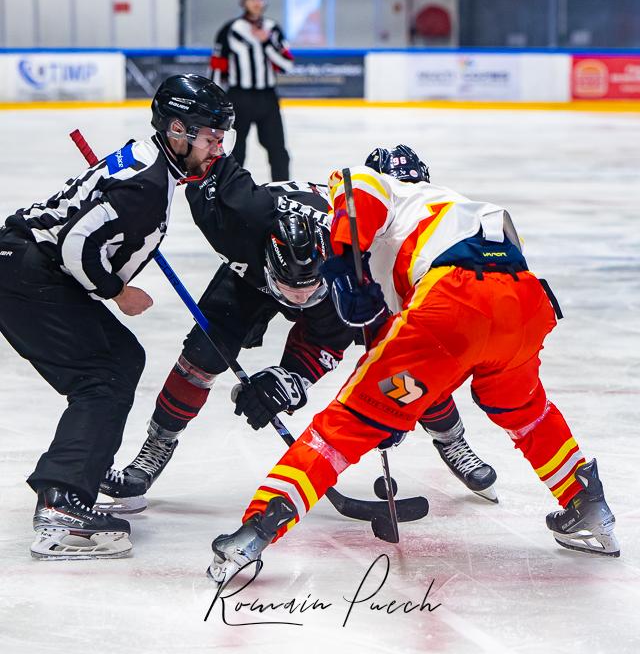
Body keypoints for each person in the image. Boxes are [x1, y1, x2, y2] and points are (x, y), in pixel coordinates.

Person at [209, 143, 620, 584]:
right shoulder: (452, 207)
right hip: (524, 305)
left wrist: (347, 265)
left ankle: (255, 530)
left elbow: (355, 183)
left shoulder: (389, 191)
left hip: (453, 300)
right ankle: (587, 505)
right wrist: (396, 403)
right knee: (526, 412)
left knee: (347, 424)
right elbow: (419, 338)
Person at [99, 153, 497, 512]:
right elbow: (201, 176)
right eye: (292, 291)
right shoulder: (239, 228)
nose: (301, 300)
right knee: (203, 354)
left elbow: (325, 345)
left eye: (308, 290)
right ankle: (157, 444)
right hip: (252, 277)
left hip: (330, 273)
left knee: (400, 361)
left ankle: (452, 438)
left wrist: (289, 382)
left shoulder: (352, 261)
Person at [0, 73, 235, 560]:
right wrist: (117, 291)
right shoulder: (147, 184)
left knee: (123, 356)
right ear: (178, 130)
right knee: (103, 376)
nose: (217, 148)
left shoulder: (152, 166)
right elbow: (76, 244)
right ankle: (61, 505)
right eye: (211, 137)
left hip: (27, 267)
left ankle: (85, 468)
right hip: (27, 274)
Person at [210, 0, 294, 181]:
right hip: (239, 98)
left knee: (278, 152)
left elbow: (287, 65)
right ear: (243, 0)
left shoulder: (273, 29)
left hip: (267, 99)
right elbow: (217, 68)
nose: (257, 2)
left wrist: (266, 43)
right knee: (235, 152)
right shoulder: (230, 30)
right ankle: (231, 192)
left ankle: (282, 192)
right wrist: (214, 101)